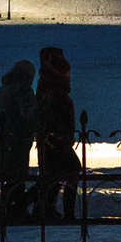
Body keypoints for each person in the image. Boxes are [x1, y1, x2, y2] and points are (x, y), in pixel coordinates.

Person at [32, 45, 80, 221]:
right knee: (70, 171)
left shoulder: (47, 86)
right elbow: (54, 116)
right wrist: (61, 136)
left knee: (53, 176)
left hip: (52, 140)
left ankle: (45, 208)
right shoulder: (55, 91)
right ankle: (62, 212)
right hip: (56, 140)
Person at [0, 58, 38, 221]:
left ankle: (10, 210)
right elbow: (29, 113)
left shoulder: (4, 88)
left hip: (2, 139)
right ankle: (13, 210)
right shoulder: (22, 89)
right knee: (17, 177)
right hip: (15, 139)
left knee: (10, 179)